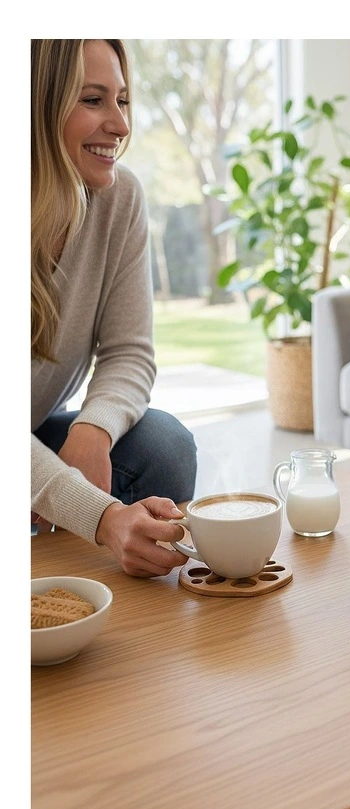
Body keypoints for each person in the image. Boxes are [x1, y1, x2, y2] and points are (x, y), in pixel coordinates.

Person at [31, 39, 197, 578]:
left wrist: (92, 431)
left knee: (163, 446)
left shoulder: (119, 199)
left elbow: (129, 352)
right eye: (93, 100)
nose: (121, 125)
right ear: (35, 103)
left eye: (122, 101)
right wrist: (99, 516)